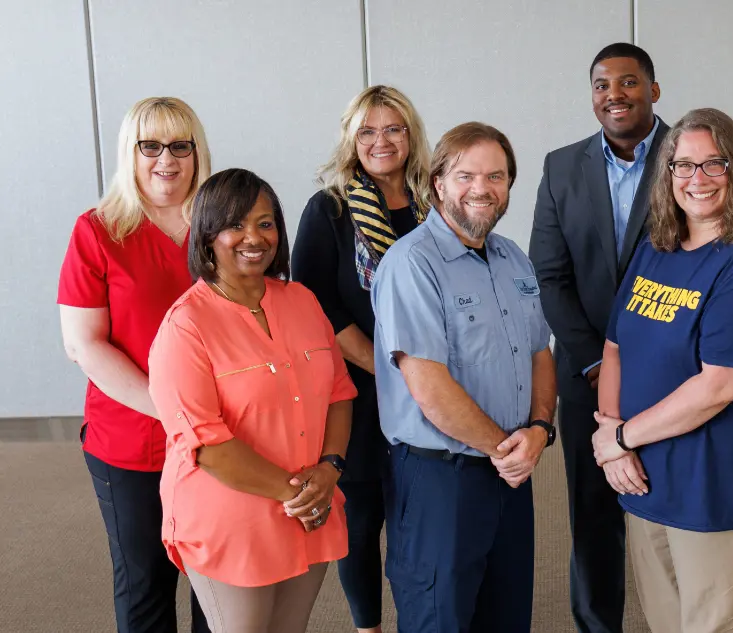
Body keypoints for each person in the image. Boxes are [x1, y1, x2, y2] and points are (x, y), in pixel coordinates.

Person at [591, 108, 733, 633]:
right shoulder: (655, 250)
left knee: (716, 623)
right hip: (646, 477)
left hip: (715, 485)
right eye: (683, 166)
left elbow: (719, 385)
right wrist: (611, 432)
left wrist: (620, 437)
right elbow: (615, 346)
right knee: (665, 621)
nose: (697, 180)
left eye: (713, 164)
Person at [147, 168, 355, 633]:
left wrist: (329, 469)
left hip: (309, 505)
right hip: (235, 518)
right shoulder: (186, 326)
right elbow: (207, 445)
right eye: (235, 224)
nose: (253, 237)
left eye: (265, 223)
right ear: (206, 236)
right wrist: (299, 494)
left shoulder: (301, 300)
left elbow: (339, 394)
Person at [374, 122, 557, 633]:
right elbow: (429, 389)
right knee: (440, 619)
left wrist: (540, 430)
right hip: (441, 480)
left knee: (507, 615)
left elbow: (540, 353)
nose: (482, 188)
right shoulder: (411, 263)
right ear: (437, 184)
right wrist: (508, 449)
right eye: (466, 175)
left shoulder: (513, 257)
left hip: (510, 473)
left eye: (496, 176)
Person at [57, 96, 212, 633]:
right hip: (132, 442)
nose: (165, 159)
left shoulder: (222, 225)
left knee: (215, 582)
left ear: (197, 153)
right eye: (150, 145)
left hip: (220, 438)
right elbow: (84, 344)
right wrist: (173, 414)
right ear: (131, 152)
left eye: (179, 145)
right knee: (146, 584)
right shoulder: (97, 230)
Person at [529, 41, 668, 633]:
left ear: (654, 91)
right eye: (602, 85)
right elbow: (549, 273)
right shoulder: (562, 166)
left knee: (670, 512)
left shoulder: (688, 159)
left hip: (672, 372)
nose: (615, 95)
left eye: (629, 82)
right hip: (586, 374)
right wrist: (592, 363)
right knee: (592, 515)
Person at [292, 84, 432, 633]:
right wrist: (391, 370)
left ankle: (422, 618)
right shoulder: (329, 209)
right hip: (359, 391)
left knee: (421, 516)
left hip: (431, 389)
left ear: (410, 134)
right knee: (362, 519)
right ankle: (367, 627)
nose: (381, 141)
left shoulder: (436, 201)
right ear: (352, 140)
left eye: (393, 128)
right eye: (368, 131)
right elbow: (315, 304)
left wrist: (426, 378)